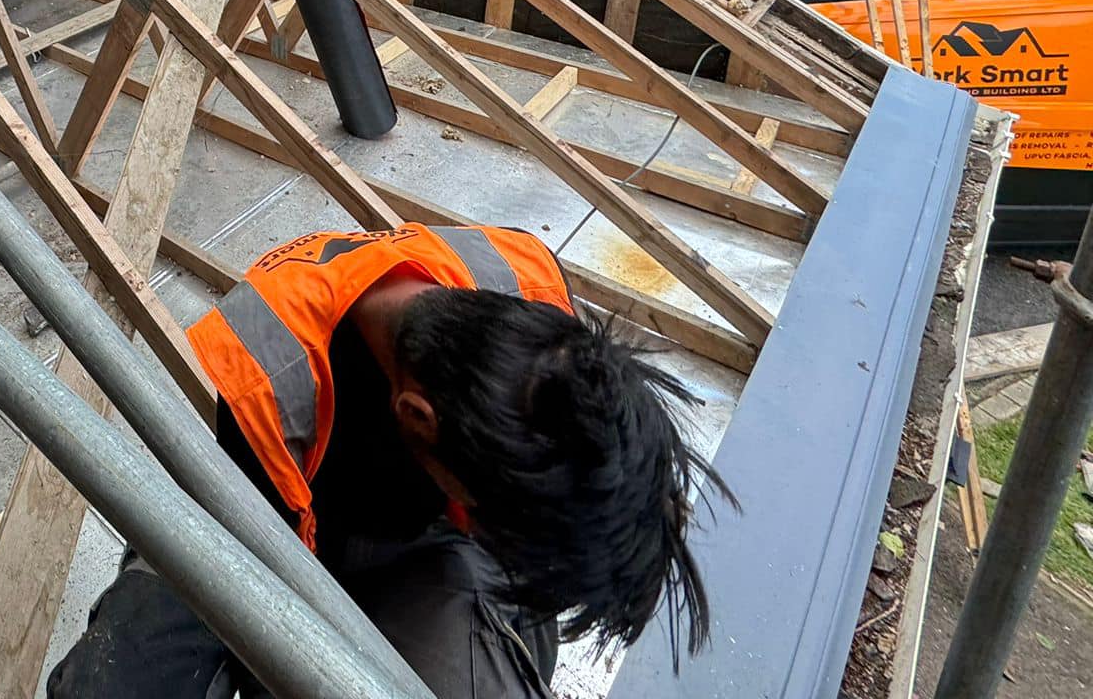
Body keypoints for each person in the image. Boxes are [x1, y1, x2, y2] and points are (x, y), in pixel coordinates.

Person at [48, 222, 729, 698]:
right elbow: (258, 605)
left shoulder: (528, 293)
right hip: (252, 522)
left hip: (412, 534)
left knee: (489, 661)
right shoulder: (253, 387)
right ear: (414, 418)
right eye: (501, 524)